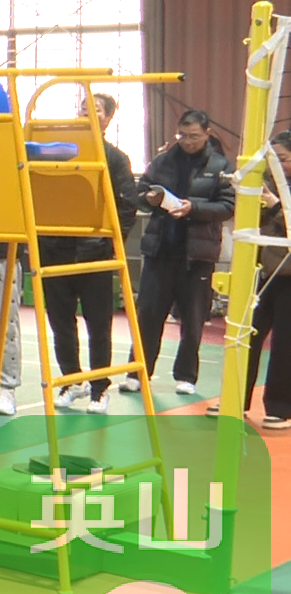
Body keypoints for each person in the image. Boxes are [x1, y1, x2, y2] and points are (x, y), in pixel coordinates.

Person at [41, 94, 138, 414]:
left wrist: (109, 244)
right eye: (82, 108)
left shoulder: (116, 158)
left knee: (99, 324)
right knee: (60, 323)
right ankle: (72, 380)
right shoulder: (58, 151)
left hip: (95, 254)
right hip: (55, 251)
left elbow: (127, 207)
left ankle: (99, 388)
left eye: (94, 109)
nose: (86, 113)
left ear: (108, 118)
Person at [126, 109, 235, 395]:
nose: (187, 141)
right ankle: (137, 372)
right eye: (182, 135)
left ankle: (186, 376)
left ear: (207, 134)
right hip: (160, 251)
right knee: (148, 315)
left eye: (194, 136)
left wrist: (193, 208)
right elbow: (141, 192)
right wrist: (149, 198)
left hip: (197, 256)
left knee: (193, 319)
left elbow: (228, 206)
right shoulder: (162, 161)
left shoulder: (221, 166)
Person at [226, 130, 291, 427]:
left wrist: (276, 204)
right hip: (263, 271)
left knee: (284, 343)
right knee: (245, 334)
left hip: (288, 274)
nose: (276, 164)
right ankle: (235, 398)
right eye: (272, 158)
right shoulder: (266, 181)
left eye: (283, 158)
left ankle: (280, 406)